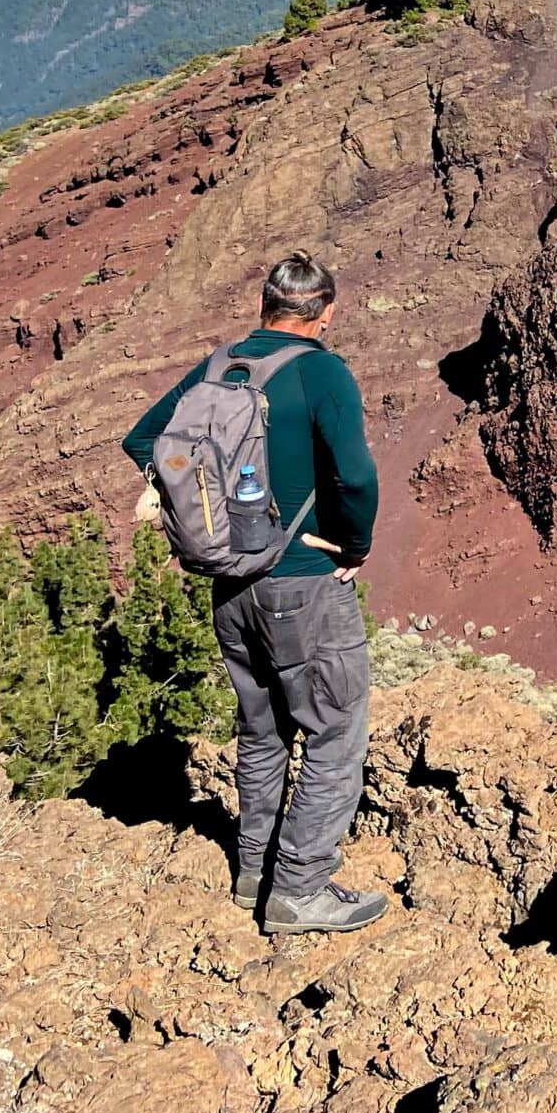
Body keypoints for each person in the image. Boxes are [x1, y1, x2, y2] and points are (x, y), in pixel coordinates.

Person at [123, 251, 388, 935]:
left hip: (231, 587)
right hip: (302, 583)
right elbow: (355, 477)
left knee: (263, 731)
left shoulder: (221, 365)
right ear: (324, 313)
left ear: (265, 307)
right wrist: (353, 545)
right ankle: (300, 890)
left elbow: (145, 439)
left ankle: (252, 873)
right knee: (334, 732)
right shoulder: (322, 370)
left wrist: (201, 508)